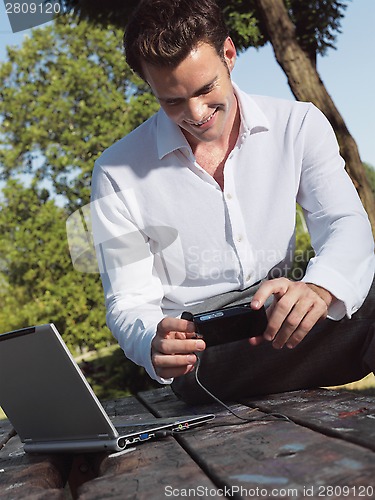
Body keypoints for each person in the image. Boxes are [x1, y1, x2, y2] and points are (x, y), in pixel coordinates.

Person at [90, 0, 375, 403]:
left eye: (206, 89)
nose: (196, 113)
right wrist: (152, 344)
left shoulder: (299, 124)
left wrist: (318, 287)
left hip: (287, 316)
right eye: (172, 101)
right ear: (150, 87)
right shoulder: (115, 172)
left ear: (228, 54)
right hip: (207, 352)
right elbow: (128, 300)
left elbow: (346, 222)